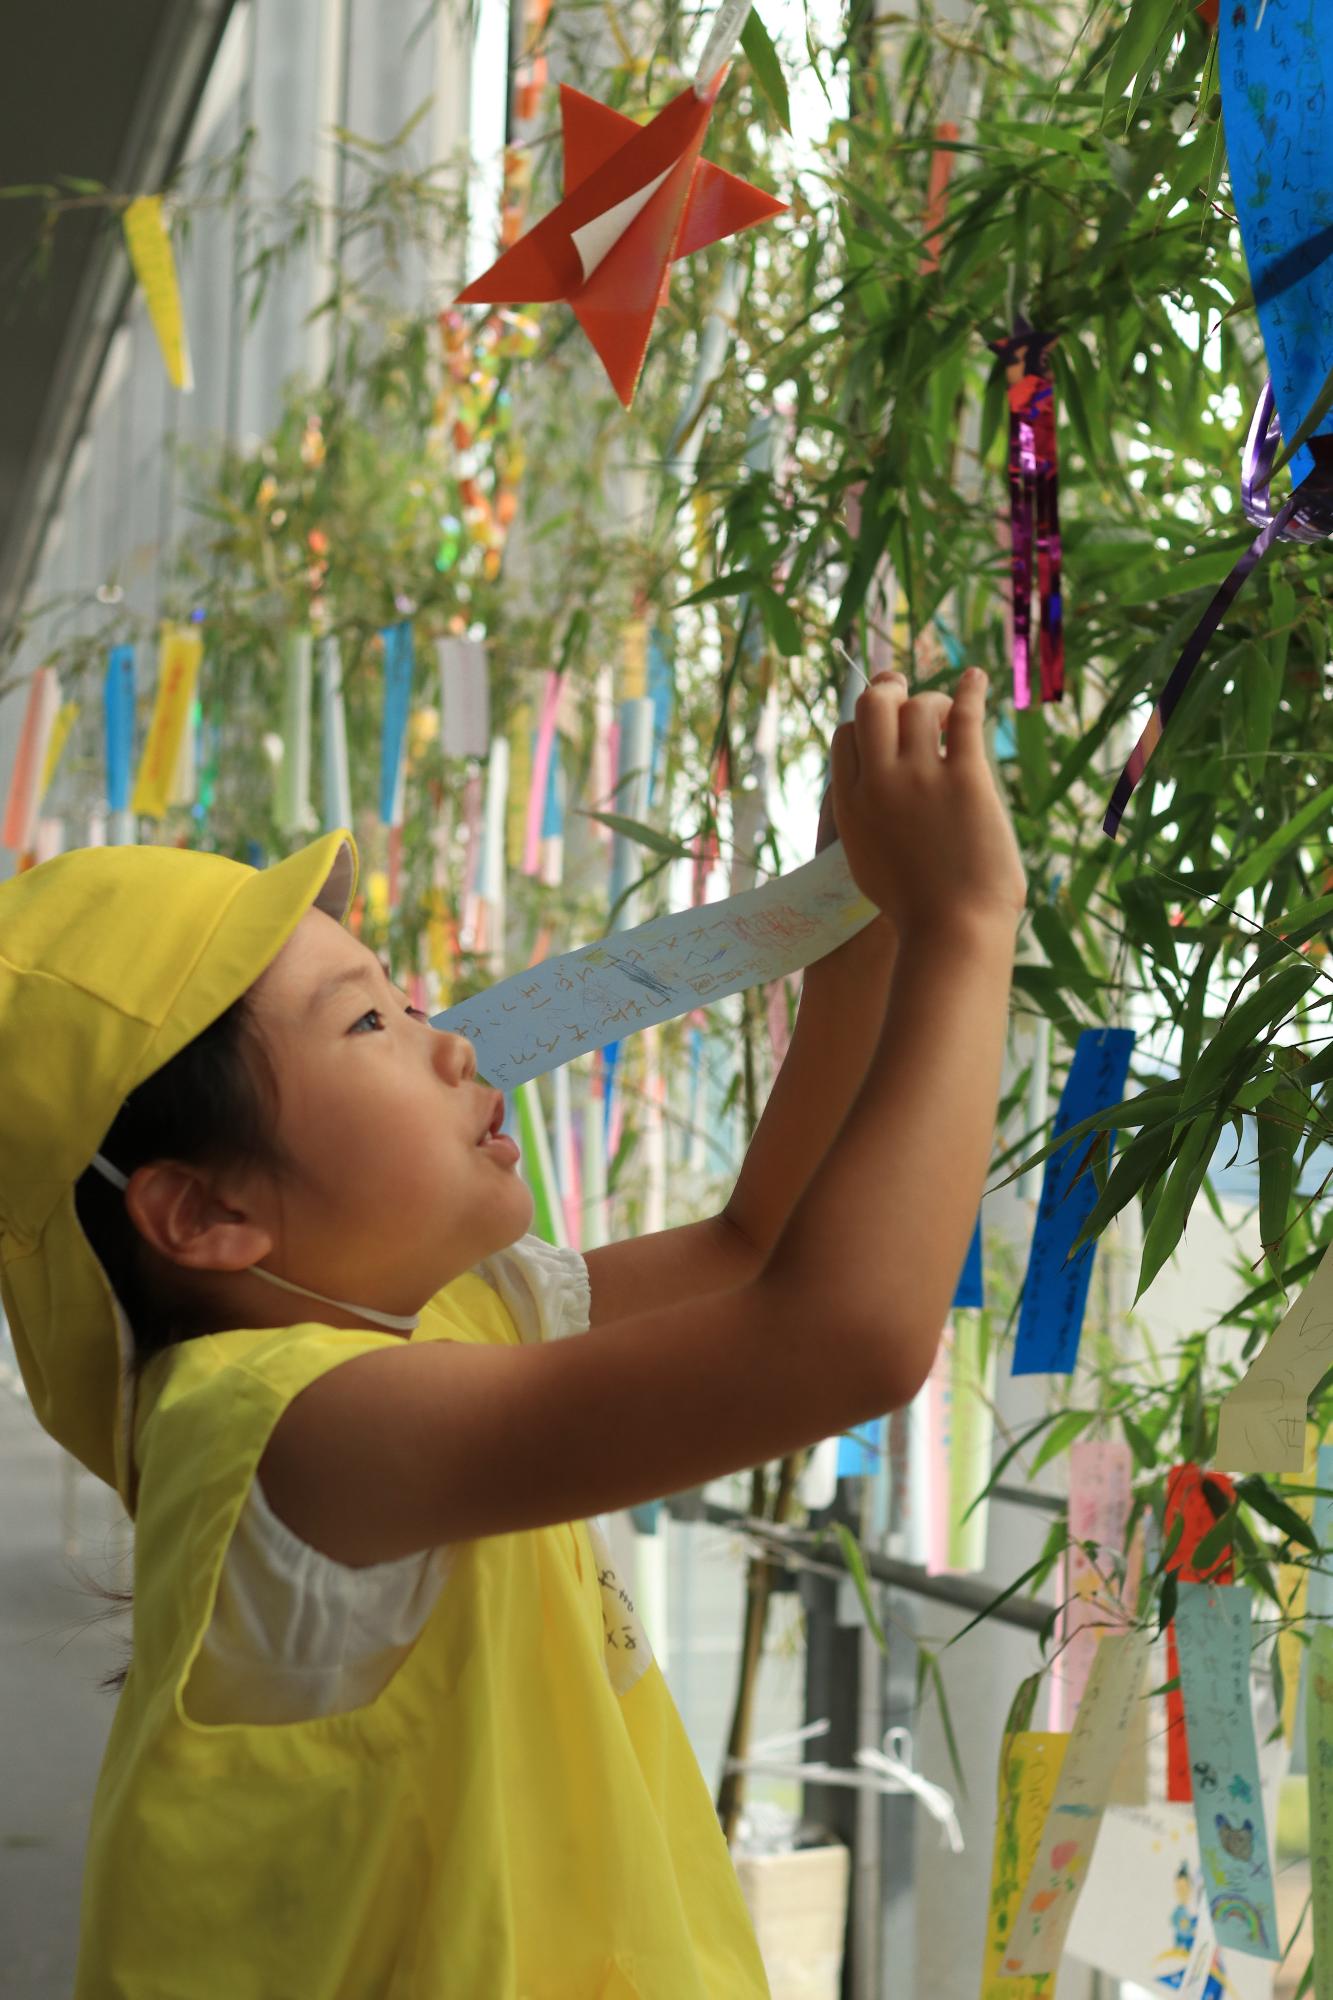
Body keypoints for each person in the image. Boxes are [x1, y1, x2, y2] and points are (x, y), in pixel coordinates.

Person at [1, 665, 1025, 1997]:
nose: (448, 1047)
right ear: (203, 1212)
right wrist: (965, 925)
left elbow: (749, 1252)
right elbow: (841, 1338)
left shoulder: (439, 1321)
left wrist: (871, 934)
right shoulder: (291, 1432)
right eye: (367, 1022)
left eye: (404, 1001)